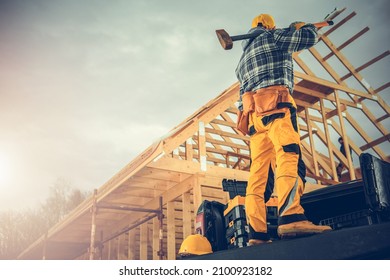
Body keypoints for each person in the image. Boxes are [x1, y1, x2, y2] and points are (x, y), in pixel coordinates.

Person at [235, 13, 331, 244]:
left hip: (255, 120)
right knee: (288, 156)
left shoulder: (242, 60)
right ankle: (291, 217)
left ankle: (256, 234)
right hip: (276, 108)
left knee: (258, 174)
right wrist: (303, 27)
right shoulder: (273, 37)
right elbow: (308, 39)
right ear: (270, 26)